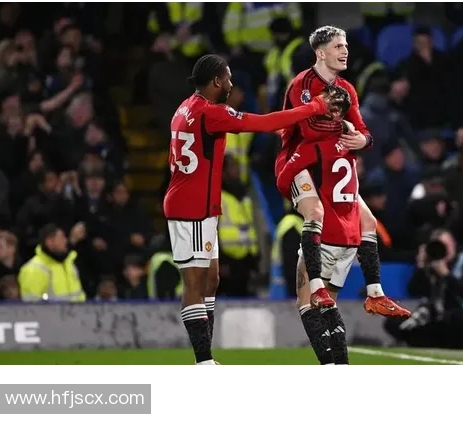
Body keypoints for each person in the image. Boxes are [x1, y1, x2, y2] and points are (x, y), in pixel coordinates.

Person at [163, 54, 342, 365]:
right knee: (194, 282)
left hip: (201, 206)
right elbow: (263, 122)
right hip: (189, 208)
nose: (231, 85)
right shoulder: (210, 112)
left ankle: (206, 357)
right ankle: (203, 361)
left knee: (211, 279)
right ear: (216, 81)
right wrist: (315, 107)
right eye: (228, 79)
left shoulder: (186, 107)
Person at [275, 25, 405, 316]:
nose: (345, 51)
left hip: (332, 165)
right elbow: (310, 131)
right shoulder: (301, 85)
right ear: (321, 53)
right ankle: (315, 287)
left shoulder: (346, 89)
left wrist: (363, 140)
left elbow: (364, 132)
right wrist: (346, 128)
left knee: (368, 221)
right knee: (315, 213)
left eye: (346, 46)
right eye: (338, 46)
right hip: (301, 163)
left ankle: (375, 294)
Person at [277, 86, 410, 365]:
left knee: (307, 304)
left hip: (326, 234)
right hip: (350, 240)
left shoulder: (315, 145)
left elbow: (284, 177)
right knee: (330, 306)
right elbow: (365, 139)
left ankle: (329, 365)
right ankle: (343, 363)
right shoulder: (350, 141)